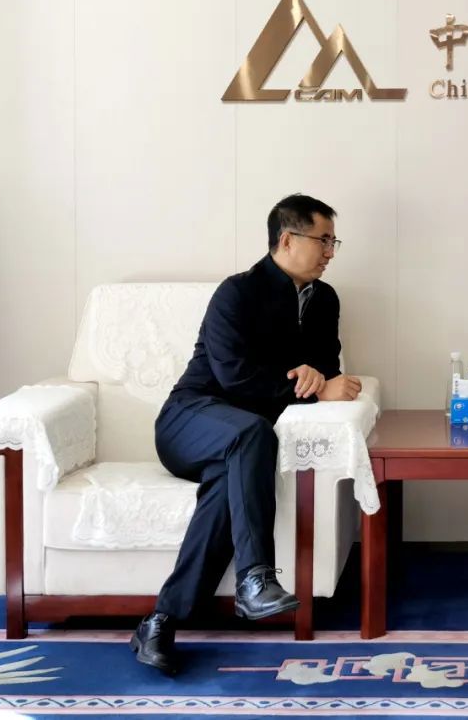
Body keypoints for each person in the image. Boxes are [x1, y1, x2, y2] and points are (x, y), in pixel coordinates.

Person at [130, 193, 363, 674]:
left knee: (226, 488)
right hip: (190, 420)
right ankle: (255, 578)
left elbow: (325, 368)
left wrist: (320, 379)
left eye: (333, 242)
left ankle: (159, 621)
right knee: (253, 433)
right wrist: (309, 386)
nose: (330, 252)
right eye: (323, 240)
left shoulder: (325, 300)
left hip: (242, 444)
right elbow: (234, 377)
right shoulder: (237, 292)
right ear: (287, 239)